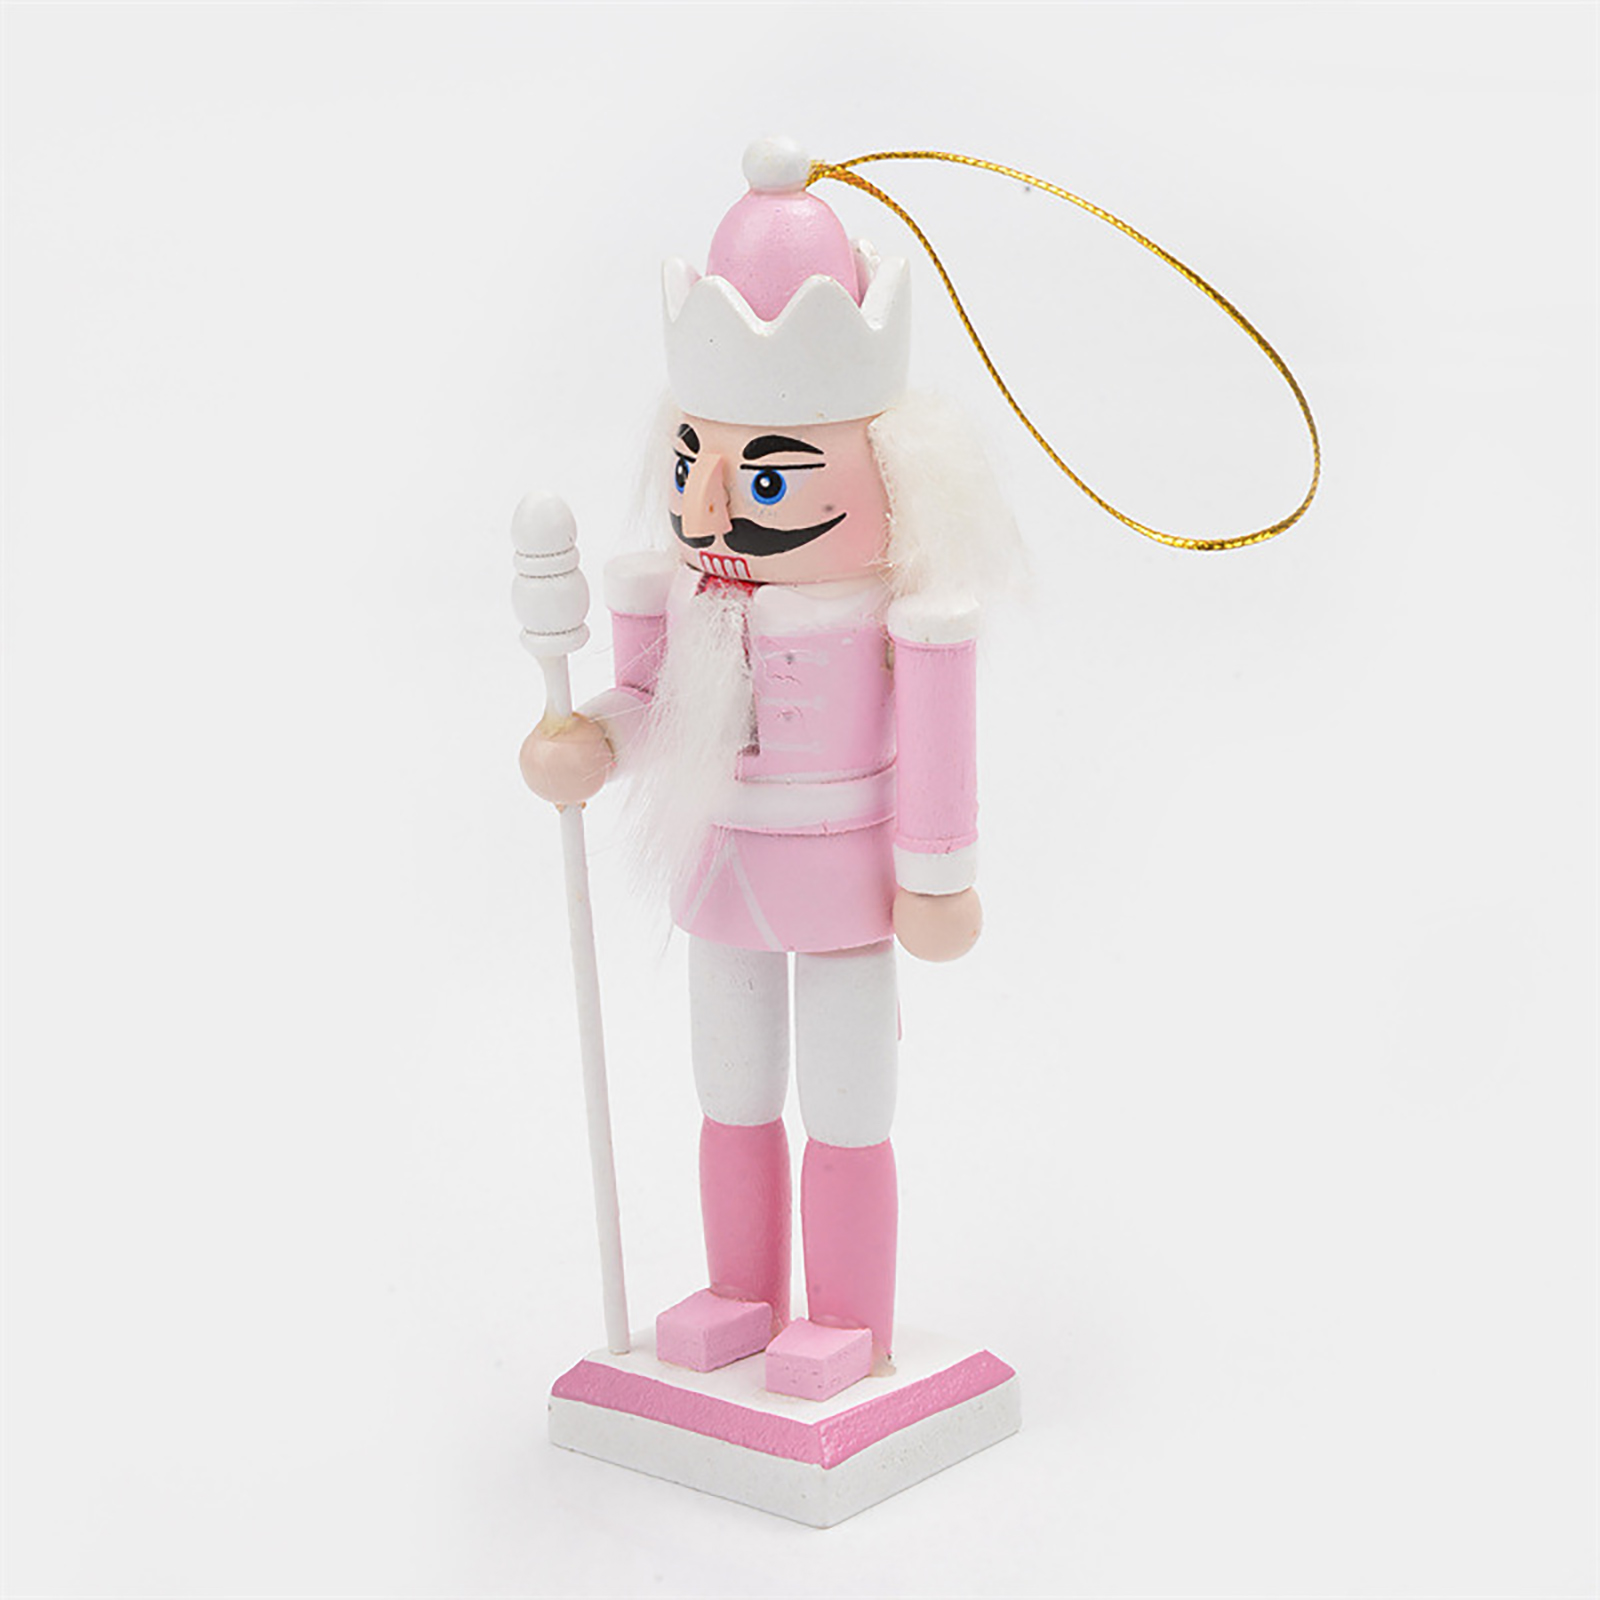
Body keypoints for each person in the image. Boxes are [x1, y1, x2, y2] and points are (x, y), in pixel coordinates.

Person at [520, 136, 1016, 1402]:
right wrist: (588, 740)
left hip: (846, 885)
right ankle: (741, 1291)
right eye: (694, 460)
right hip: (723, 874)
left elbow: (940, 749)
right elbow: (645, 707)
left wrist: (939, 878)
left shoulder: (910, 619)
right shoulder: (675, 594)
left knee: (847, 1097)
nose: (712, 504)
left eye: (770, 471)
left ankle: (847, 1316)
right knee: (729, 1085)